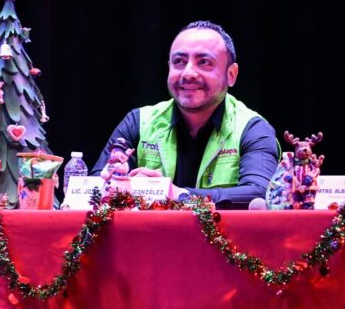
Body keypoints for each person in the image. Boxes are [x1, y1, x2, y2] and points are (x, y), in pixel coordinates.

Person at [93, 21, 279, 208]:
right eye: (179, 62)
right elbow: (94, 188)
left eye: (204, 62)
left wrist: (178, 195)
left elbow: (260, 193)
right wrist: (116, 183)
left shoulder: (252, 128)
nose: (188, 73)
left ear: (231, 74)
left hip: (222, 229)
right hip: (150, 228)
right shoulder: (139, 121)